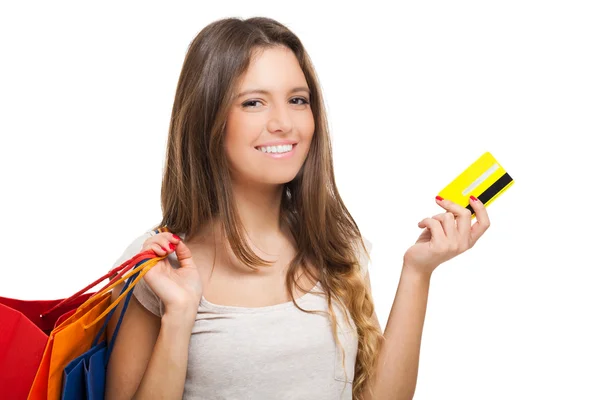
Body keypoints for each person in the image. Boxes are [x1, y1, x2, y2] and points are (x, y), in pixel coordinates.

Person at [105, 16, 491, 400]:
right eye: (253, 102)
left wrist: (417, 271)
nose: (284, 123)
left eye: (297, 100)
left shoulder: (336, 245)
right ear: (207, 118)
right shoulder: (156, 267)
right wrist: (178, 318)